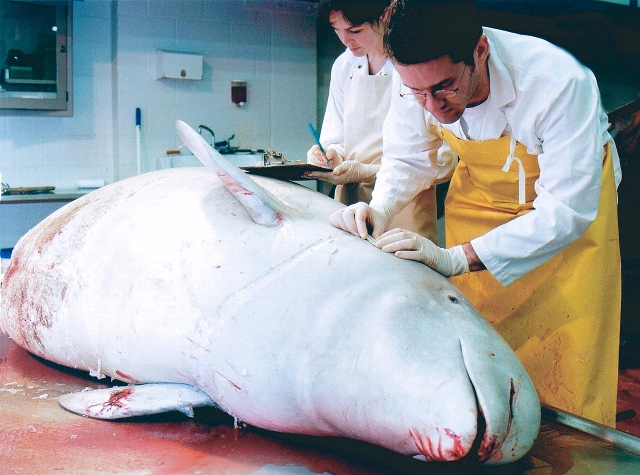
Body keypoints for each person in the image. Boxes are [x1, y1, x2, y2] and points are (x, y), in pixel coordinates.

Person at [330, 0, 622, 427]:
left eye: (444, 87)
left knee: (567, 367)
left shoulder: (558, 82)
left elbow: (567, 210)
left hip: (567, 234)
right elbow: (410, 158)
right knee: (480, 366)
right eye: (417, 93)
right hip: (479, 204)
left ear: (480, 51)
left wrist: (457, 258)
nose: (431, 106)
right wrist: (380, 208)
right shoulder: (415, 78)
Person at [306, 0, 454, 242]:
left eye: (355, 30)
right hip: (350, 197)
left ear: (385, 15)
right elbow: (336, 135)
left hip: (406, 201)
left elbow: (444, 158)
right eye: (337, 30)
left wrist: (368, 171)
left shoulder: (413, 63)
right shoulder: (345, 66)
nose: (345, 40)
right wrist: (331, 154)